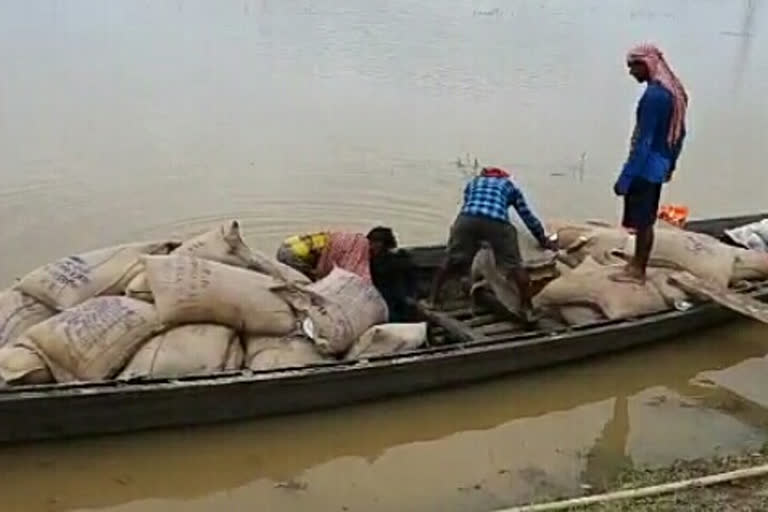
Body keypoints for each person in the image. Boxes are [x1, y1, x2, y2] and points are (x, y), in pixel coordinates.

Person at [428, 166, 555, 317]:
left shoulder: (474, 183)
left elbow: (470, 207)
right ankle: (527, 308)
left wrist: (476, 239)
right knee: (515, 266)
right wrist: (543, 240)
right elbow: (527, 216)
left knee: (451, 259)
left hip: (466, 220)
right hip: (497, 223)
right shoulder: (509, 187)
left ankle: (432, 300)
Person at [613, 43, 688, 283]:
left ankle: (638, 270)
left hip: (645, 168)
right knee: (646, 218)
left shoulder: (654, 96)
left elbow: (644, 141)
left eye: (633, 67)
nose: (631, 72)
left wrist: (626, 177)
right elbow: (679, 133)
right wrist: (671, 164)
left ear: (646, 65)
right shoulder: (672, 92)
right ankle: (638, 262)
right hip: (658, 165)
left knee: (642, 220)